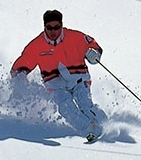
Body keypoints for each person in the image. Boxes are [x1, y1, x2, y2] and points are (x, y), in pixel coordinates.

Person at [10, 9, 106, 141]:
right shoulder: (36, 46)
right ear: (44, 27)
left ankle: (106, 126)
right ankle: (89, 132)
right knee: (66, 108)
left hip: (79, 79)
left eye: (57, 27)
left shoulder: (75, 37)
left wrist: (94, 53)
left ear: (61, 25)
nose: (53, 31)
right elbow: (20, 66)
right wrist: (19, 80)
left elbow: (93, 46)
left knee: (86, 106)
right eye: (49, 28)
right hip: (55, 85)